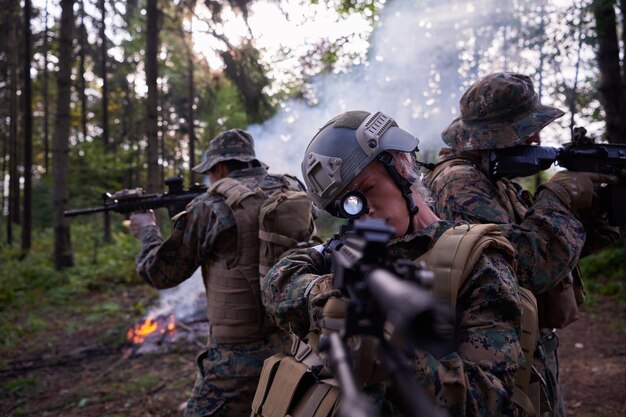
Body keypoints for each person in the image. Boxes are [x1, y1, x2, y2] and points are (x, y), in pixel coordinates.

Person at [257, 110, 525, 417]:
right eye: (349, 204)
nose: (365, 210)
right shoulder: (348, 249)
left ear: (399, 163)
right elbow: (278, 280)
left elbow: (492, 400)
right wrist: (326, 294)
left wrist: (393, 360)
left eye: (368, 189)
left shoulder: (478, 262)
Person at [424, 72, 620, 417]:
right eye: (525, 128)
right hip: (496, 361)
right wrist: (559, 198)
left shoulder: (491, 179)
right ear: (494, 136)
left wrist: (592, 220)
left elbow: (540, 244)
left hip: (524, 351)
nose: (536, 136)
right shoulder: (458, 183)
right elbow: (524, 266)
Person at [129, 129, 308, 417]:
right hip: (295, 346)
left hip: (236, 362)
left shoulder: (209, 206)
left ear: (221, 167)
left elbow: (160, 274)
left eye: (210, 172)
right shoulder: (292, 189)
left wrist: (147, 229)